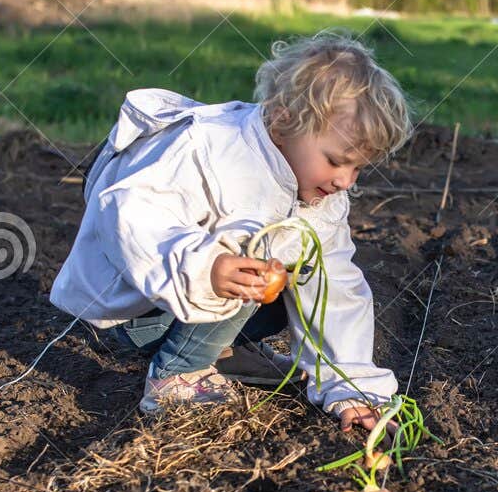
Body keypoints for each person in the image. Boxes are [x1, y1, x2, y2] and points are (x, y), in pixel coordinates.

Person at [49, 30, 412, 431]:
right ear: (283, 118)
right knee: (254, 258)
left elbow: (335, 291)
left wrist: (350, 389)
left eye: (358, 168)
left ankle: (222, 351)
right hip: (134, 308)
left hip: (187, 308)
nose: (345, 180)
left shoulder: (319, 197)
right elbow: (127, 215)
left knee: (303, 269)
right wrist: (206, 268)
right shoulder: (207, 149)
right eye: (335, 161)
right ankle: (177, 375)